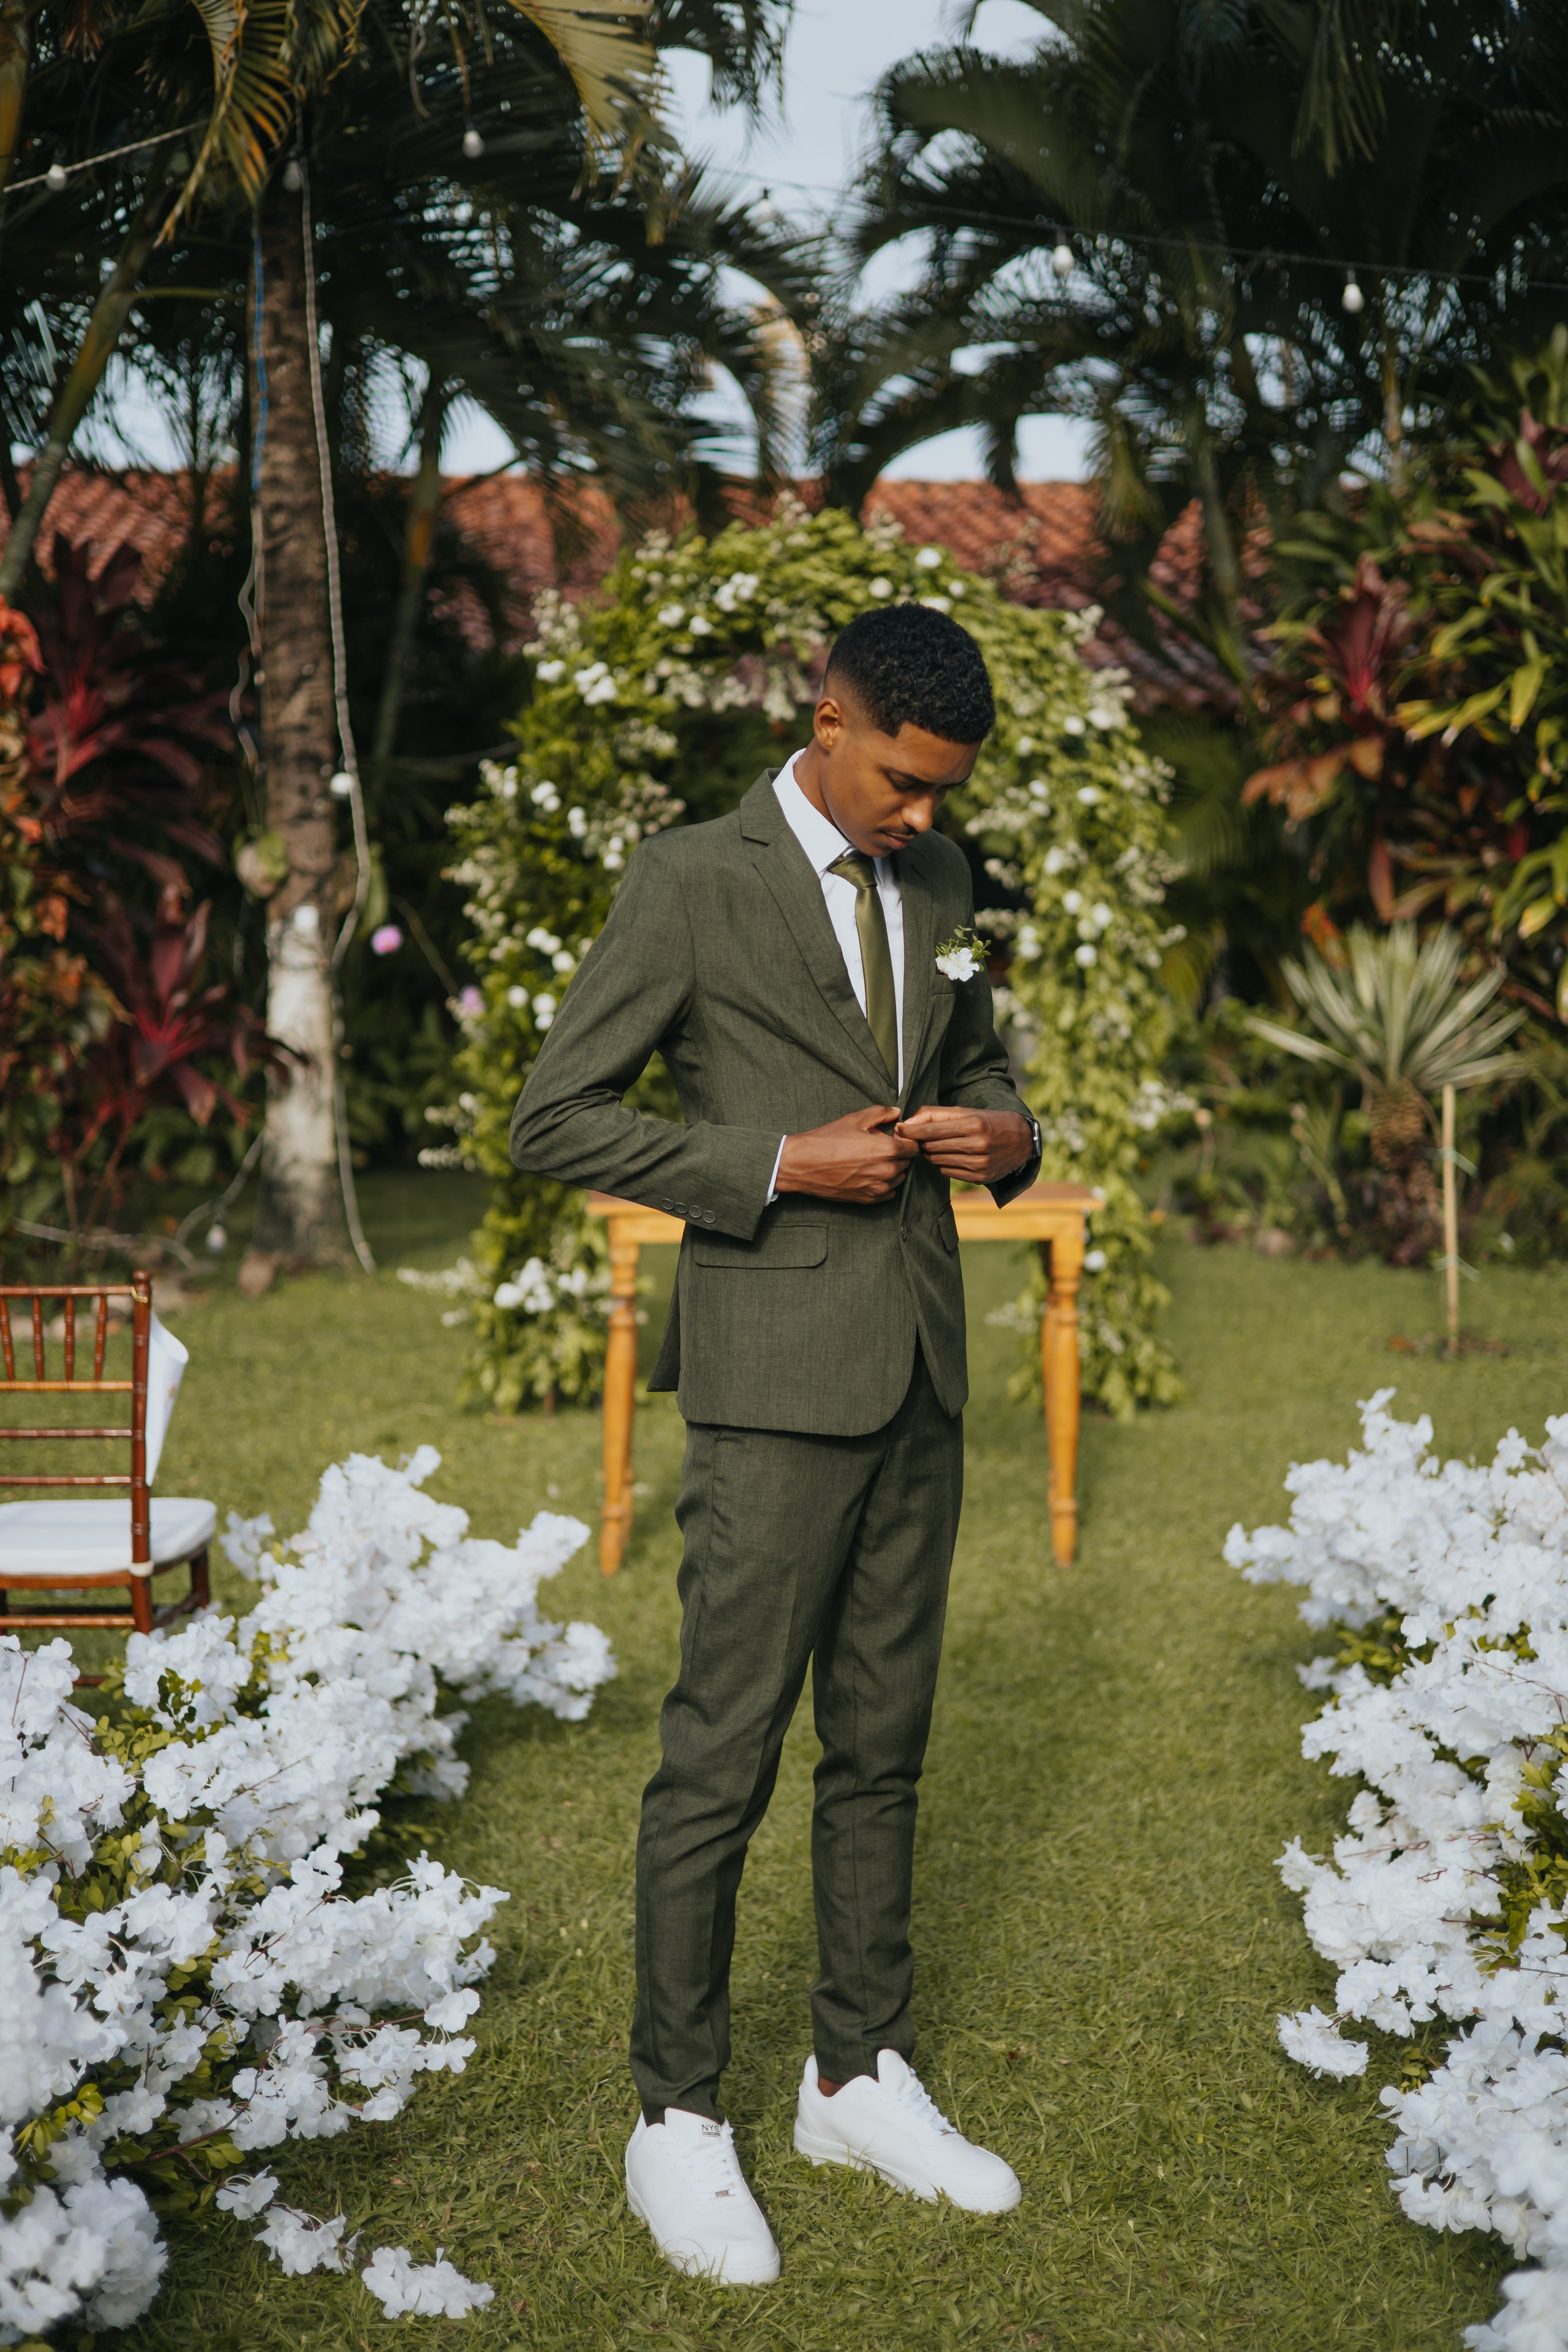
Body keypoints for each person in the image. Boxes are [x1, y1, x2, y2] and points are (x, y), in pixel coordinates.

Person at [509, 600, 1041, 2285]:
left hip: (921, 1368)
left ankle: (854, 2077)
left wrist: (1004, 1133)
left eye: (945, 792)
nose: (923, 816)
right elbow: (554, 1116)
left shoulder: (941, 879)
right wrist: (771, 1166)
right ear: (827, 722)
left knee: (882, 1744)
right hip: (768, 1384)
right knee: (722, 1756)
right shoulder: (691, 879)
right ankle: (676, 2117)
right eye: (902, 781)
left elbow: (986, 1062)